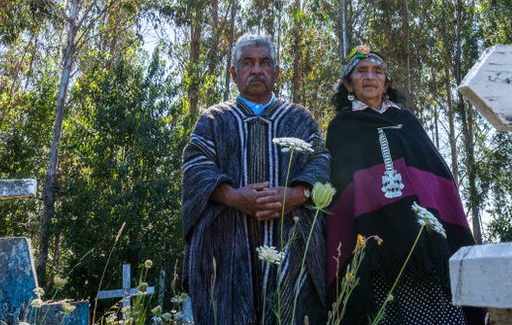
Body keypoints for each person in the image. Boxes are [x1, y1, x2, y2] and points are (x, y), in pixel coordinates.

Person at [325, 45, 482, 325]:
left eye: (377, 71)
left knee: (443, 313)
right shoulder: (342, 127)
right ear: (348, 83)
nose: (370, 77)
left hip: (429, 245)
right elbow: (344, 190)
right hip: (377, 251)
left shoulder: (406, 121)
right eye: (361, 71)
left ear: (387, 83)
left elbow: (435, 179)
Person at [182, 34, 330, 325]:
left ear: (276, 73)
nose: (257, 70)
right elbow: (195, 166)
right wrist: (233, 197)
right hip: (225, 250)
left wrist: (297, 194)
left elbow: (321, 160)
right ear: (234, 73)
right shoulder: (213, 120)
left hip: (291, 249)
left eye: (265, 63)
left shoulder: (299, 119)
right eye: (248, 63)